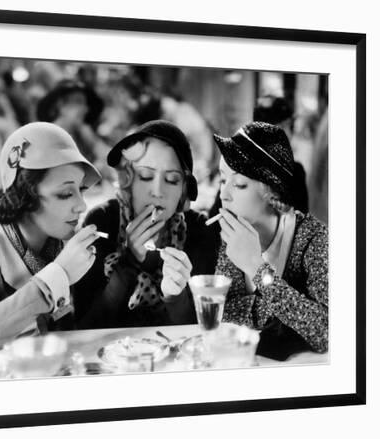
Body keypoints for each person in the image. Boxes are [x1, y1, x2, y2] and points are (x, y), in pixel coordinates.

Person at [0, 122, 102, 367]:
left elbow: (79, 330)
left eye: (81, 190)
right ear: (25, 195)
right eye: (65, 194)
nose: (82, 206)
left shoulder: (62, 239)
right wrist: (58, 276)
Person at [73, 120, 220, 329]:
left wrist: (175, 297)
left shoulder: (199, 230)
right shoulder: (102, 222)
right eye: (145, 176)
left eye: (171, 180)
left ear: (183, 192)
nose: (157, 191)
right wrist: (128, 263)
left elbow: (203, 333)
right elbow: (85, 328)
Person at [212, 121, 328, 360]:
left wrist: (257, 269)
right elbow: (223, 316)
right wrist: (283, 311)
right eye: (223, 180)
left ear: (272, 193)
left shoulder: (314, 239)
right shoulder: (234, 236)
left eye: (240, 184)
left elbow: (327, 331)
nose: (224, 194)